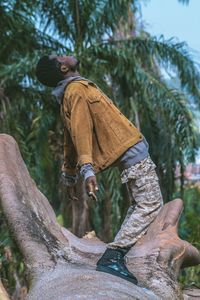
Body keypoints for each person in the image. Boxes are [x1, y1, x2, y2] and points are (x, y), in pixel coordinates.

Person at [36, 55, 163, 285]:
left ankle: (115, 256)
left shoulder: (74, 90)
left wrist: (69, 174)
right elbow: (80, 132)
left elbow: (69, 137)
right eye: (60, 56)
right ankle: (113, 257)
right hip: (132, 155)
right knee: (150, 204)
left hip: (131, 152)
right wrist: (86, 170)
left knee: (140, 204)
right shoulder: (75, 91)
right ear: (63, 67)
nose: (65, 54)